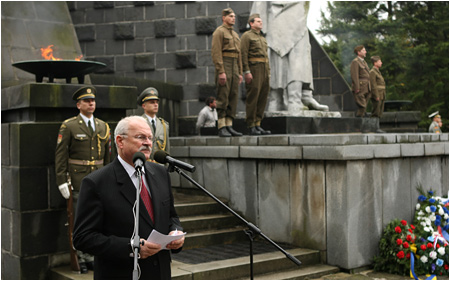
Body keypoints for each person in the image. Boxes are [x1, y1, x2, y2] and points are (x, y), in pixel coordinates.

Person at [73, 116, 184, 280]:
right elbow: (83, 237)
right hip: (121, 273)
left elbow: (171, 216)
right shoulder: (97, 182)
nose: (148, 143)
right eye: (140, 137)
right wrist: (131, 247)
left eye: (150, 138)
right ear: (120, 141)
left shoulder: (160, 173)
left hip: (160, 273)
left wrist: (176, 231)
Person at [55, 86, 111, 273]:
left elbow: (108, 156)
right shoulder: (69, 125)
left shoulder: (103, 126)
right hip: (79, 180)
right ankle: (82, 257)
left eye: (93, 100)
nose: (91, 103)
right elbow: (61, 155)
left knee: (99, 219)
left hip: (100, 179)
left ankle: (94, 255)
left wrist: (110, 176)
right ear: (79, 105)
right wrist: (62, 180)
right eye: (87, 101)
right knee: (81, 220)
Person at [250, 1, 329, 112]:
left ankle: (299, 97)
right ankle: (285, 100)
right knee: (281, 55)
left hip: (296, 16)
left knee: (298, 56)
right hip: (277, 15)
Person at [211, 8, 244, 137]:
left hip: (234, 66)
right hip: (225, 64)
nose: (233, 18)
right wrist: (221, 71)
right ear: (224, 18)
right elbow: (216, 52)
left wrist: (240, 72)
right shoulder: (219, 32)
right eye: (230, 16)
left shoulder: (235, 35)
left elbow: (239, 55)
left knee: (233, 97)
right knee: (223, 96)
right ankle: (221, 126)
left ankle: (229, 125)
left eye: (234, 16)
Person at [240, 13, 271, 135]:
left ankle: (258, 123)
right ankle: (250, 124)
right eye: (258, 21)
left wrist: (268, 72)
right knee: (253, 97)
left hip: (264, 70)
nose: (261, 23)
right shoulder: (247, 36)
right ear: (251, 23)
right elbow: (243, 54)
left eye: (261, 21)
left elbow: (266, 57)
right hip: (254, 69)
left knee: (262, 97)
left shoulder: (263, 38)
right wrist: (247, 71)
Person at [137, 87, 170, 160]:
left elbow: (167, 149)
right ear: (144, 106)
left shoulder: (164, 125)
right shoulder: (138, 123)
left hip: (160, 167)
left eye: (156, 102)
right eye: (152, 102)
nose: (155, 104)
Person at [350, 45, 371, 117]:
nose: (366, 52)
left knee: (364, 107)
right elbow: (354, 75)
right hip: (360, 87)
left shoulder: (364, 62)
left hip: (367, 87)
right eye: (364, 50)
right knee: (362, 106)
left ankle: (360, 121)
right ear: (359, 52)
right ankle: (358, 122)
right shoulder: (355, 62)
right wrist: (356, 87)